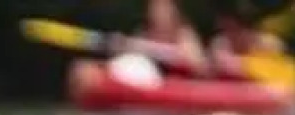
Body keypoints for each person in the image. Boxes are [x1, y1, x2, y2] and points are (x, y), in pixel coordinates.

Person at [68, 0, 208, 100]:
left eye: (164, 10)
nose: (159, 14)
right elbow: (127, 61)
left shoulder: (183, 34)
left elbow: (199, 66)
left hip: (174, 86)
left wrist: (173, 54)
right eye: (156, 9)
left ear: (174, 13)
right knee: (84, 68)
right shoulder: (144, 34)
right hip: (142, 83)